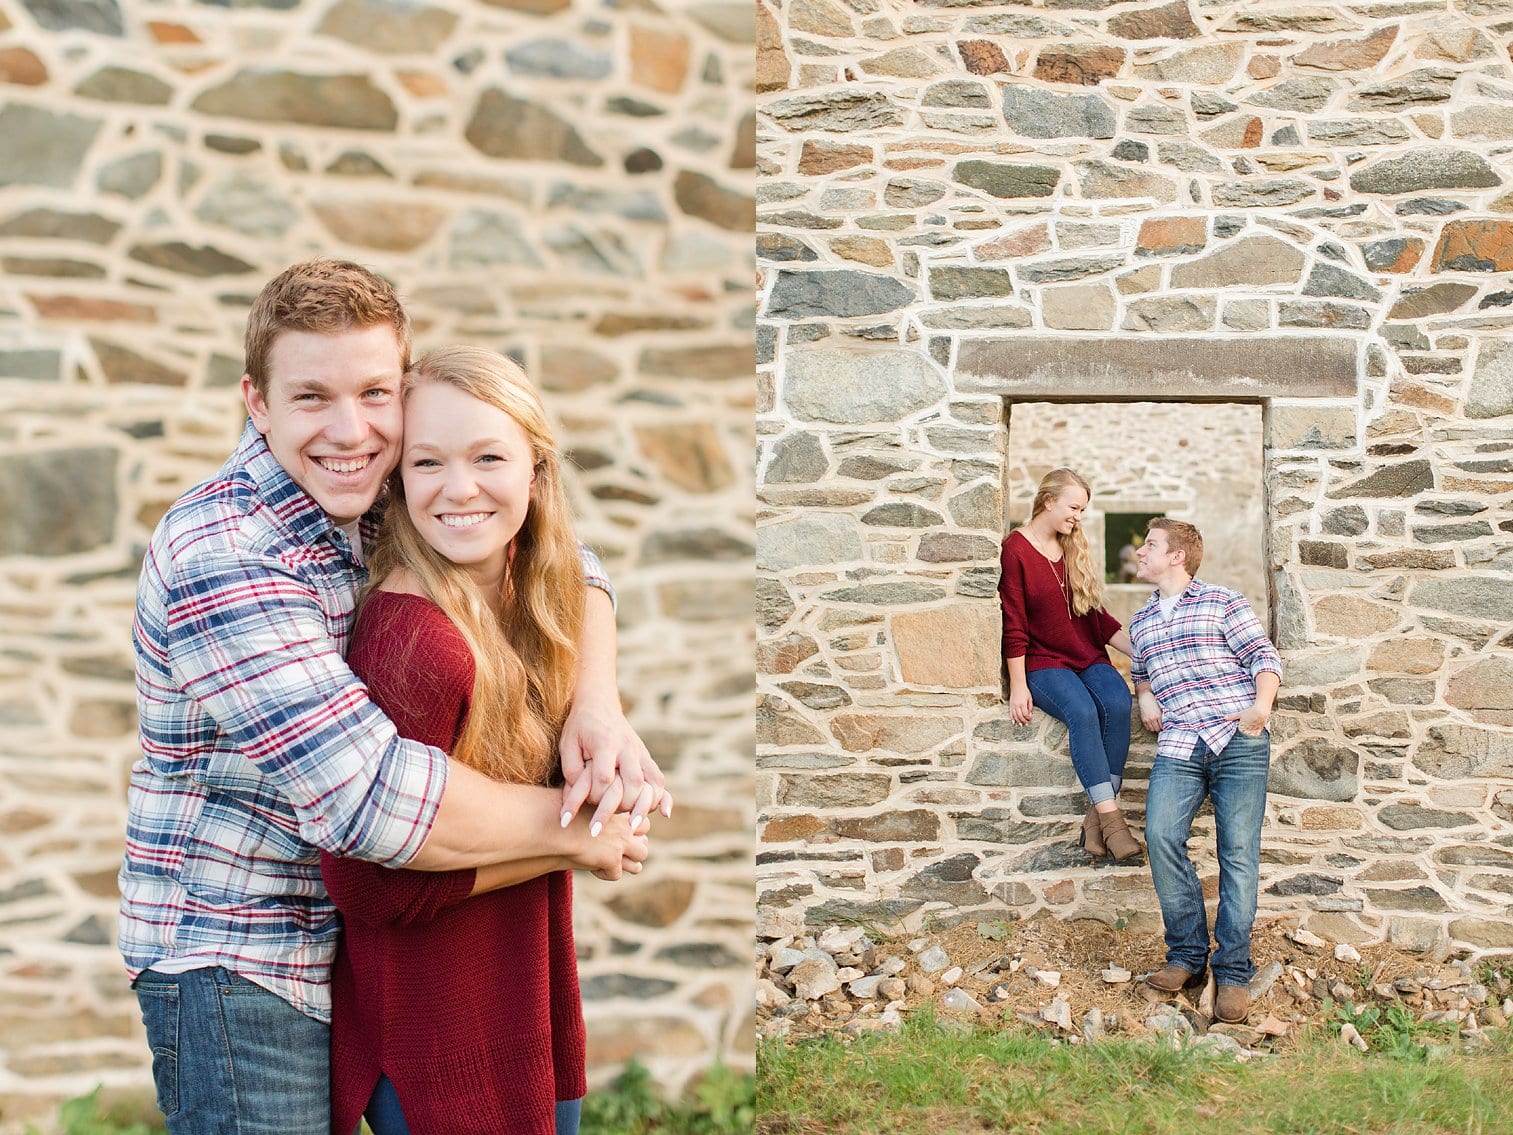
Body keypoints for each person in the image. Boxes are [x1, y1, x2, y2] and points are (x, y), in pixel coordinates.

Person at [120, 259, 668, 1135]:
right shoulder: (222, 553)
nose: (350, 428)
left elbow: (561, 555)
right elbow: (370, 801)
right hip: (237, 955)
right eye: (311, 398)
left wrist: (596, 700)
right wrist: (584, 829)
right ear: (255, 402)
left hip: (357, 936)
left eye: (375, 393)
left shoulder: (380, 494)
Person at [321, 345, 633, 1135]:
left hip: (521, 997)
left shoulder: (527, 588)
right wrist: (575, 835)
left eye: (487, 456)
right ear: (396, 483)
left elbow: (583, 571)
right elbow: (367, 889)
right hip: (437, 1034)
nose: (459, 488)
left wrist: (600, 702)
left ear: (536, 470)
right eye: (427, 462)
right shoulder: (414, 643)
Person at [1128, 517, 1281, 1025]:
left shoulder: (1222, 601)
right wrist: (1147, 699)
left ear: (1177, 556)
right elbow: (1142, 674)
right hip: (1178, 742)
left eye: (1149, 545)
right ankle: (1187, 957)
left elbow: (1263, 656)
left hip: (1237, 737)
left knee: (1237, 853)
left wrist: (1260, 708)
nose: (1140, 551)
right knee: (1160, 835)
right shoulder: (1142, 621)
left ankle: (1233, 971)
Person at [999, 468, 1142, 861]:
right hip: (1042, 662)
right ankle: (1114, 823)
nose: (1078, 516)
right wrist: (1018, 685)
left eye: (1082, 509)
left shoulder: (1072, 547)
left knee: (1117, 701)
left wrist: (1144, 653)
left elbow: (1096, 618)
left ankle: (1096, 822)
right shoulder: (1016, 549)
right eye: (1074, 507)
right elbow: (1013, 621)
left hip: (1086, 654)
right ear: (1048, 501)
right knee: (1082, 711)